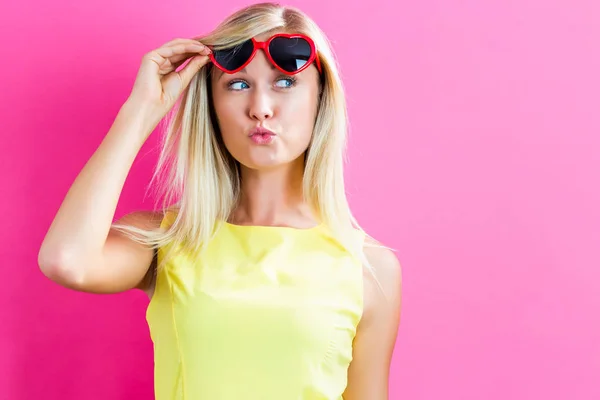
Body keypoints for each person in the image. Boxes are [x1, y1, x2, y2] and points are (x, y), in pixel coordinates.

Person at [38, 2, 402, 399]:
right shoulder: (167, 241)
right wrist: (140, 112)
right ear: (212, 105)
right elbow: (66, 261)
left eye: (285, 82)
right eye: (239, 84)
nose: (261, 109)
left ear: (321, 98)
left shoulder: (370, 268)